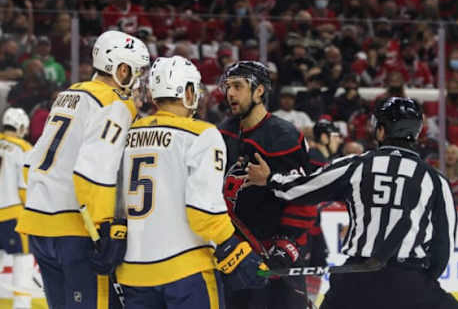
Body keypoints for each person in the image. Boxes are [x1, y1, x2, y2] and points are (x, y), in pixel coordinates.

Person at [245, 96, 458, 309]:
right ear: (416, 132)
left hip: (355, 280)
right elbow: (443, 246)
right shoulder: (435, 180)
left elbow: (303, 189)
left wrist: (270, 179)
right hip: (410, 281)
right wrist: (417, 283)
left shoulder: (358, 165)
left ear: (381, 130)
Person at [115, 55, 266, 309]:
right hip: (186, 270)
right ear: (187, 91)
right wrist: (232, 245)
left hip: (133, 271)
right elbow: (203, 211)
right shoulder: (201, 134)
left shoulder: (129, 133)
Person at [15, 30, 150, 309]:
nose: (138, 80)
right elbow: (93, 172)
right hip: (76, 232)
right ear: (121, 69)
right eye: (136, 71)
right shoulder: (115, 103)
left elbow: (32, 161)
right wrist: (104, 230)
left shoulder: (69, 94)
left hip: (40, 226)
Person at [218, 61, 315, 309]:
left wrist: (286, 247)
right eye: (228, 87)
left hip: (271, 258)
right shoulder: (222, 133)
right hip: (234, 257)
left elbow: (304, 197)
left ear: (259, 90)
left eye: (238, 86)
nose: (230, 94)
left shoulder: (284, 137)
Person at [0, 108, 35, 309]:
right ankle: (21, 306)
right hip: (12, 215)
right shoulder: (23, 148)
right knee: (23, 260)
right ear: (21, 127)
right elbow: (24, 187)